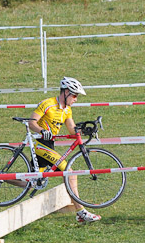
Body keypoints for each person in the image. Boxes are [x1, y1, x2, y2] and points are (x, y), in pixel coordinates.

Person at [28, 77, 101, 224]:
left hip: (50, 146)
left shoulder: (67, 110)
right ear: (66, 92)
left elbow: (72, 130)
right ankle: (81, 213)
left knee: (30, 183)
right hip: (41, 145)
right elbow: (31, 122)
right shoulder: (48, 104)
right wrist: (42, 130)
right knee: (70, 173)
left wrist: (86, 130)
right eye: (74, 95)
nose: (76, 99)